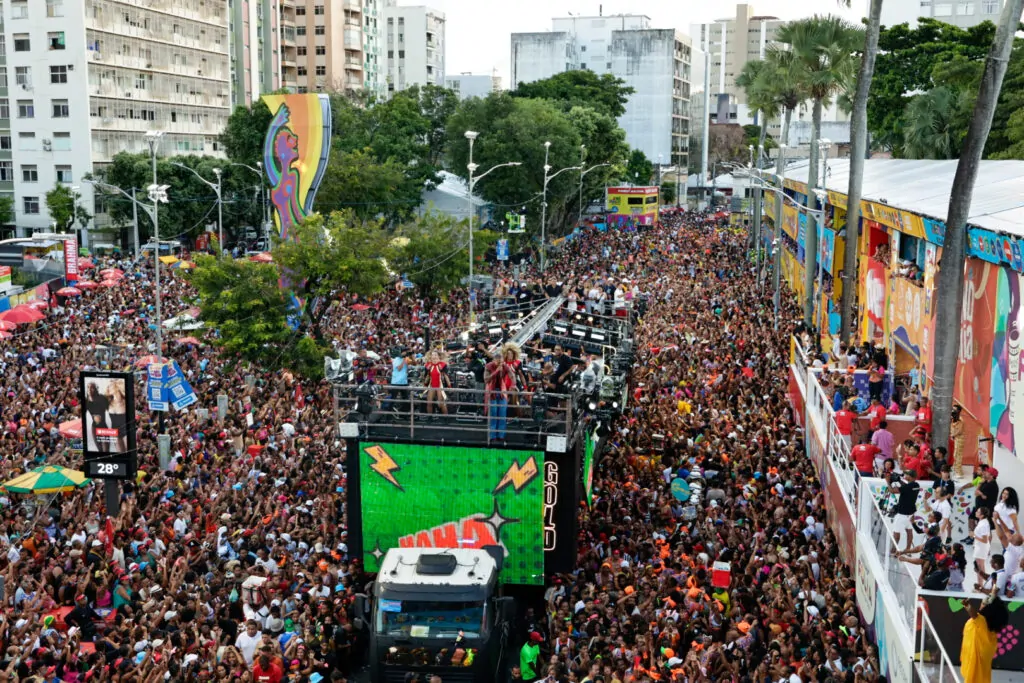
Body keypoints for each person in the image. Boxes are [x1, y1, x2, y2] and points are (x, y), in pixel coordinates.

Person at [959, 596, 1009, 683]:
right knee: (982, 676)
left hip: (976, 656)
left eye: (983, 604)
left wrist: (967, 605)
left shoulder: (981, 621)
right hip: (985, 655)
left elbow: (973, 614)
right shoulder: (991, 628)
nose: (981, 605)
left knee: (974, 676)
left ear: (988, 610)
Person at [890, 469, 921, 552]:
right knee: (909, 532)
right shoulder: (916, 485)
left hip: (902, 514)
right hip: (911, 514)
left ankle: (893, 551)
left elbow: (892, 491)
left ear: (910, 477)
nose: (905, 476)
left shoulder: (907, 487)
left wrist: (887, 481)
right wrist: (899, 481)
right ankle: (908, 550)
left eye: (907, 475)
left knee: (896, 533)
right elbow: (906, 487)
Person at [485, 350, 512, 443]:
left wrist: (513, 384)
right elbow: (486, 379)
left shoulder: (505, 366)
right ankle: (493, 436)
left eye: (501, 362)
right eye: (498, 362)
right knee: (493, 413)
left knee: (502, 414)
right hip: (492, 391)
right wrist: (496, 371)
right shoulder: (488, 366)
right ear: (494, 360)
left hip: (501, 392)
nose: (500, 364)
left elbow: (512, 375)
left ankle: (501, 435)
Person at [424, 350, 449, 416]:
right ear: (430, 356)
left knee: (441, 404)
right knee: (429, 403)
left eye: (435, 355)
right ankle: (430, 418)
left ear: (438, 356)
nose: (434, 356)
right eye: (432, 355)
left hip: (440, 386)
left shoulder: (443, 365)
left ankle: (446, 418)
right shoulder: (428, 365)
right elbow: (426, 376)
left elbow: (446, 376)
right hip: (432, 385)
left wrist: (449, 386)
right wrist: (425, 385)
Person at [973, 506, 994, 579]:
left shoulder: (983, 524)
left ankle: (981, 586)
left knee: (980, 567)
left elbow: (985, 540)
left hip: (981, 548)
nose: (976, 512)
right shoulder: (982, 522)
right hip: (980, 547)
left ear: (982, 515)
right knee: (980, 566)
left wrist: (974, 536)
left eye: (978, 512)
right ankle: (981, 585)